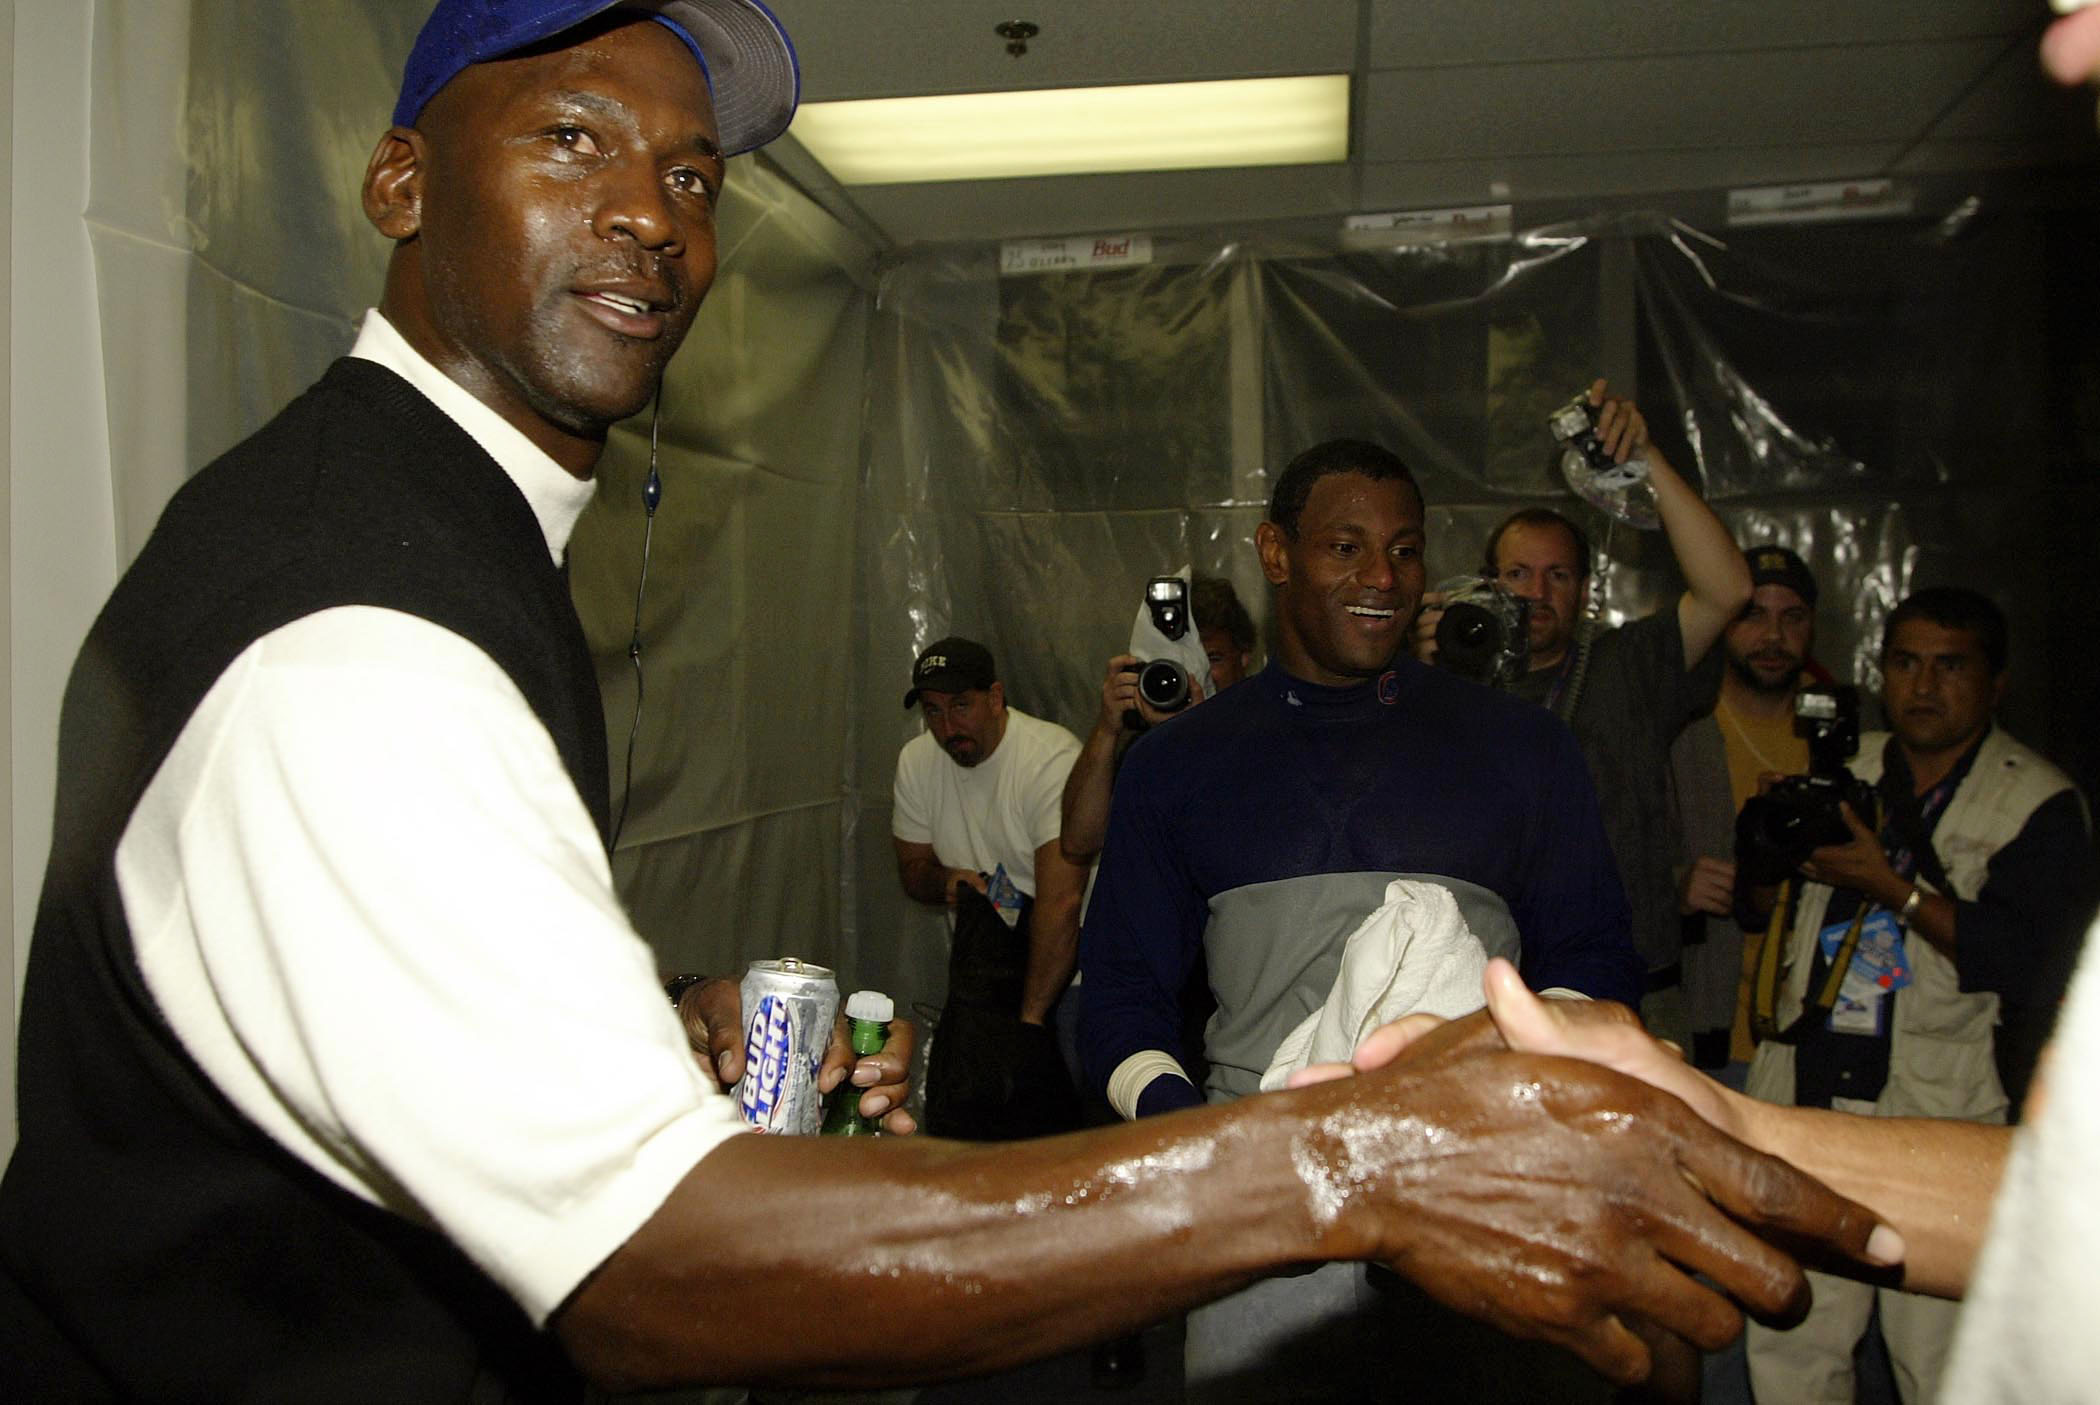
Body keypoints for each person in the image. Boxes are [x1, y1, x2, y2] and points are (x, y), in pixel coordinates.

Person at [0, 4, 1899, 1399]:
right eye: (571, 139)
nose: (654, 218)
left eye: (688, 172)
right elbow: (649, 1274)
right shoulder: (365, 630)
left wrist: (634, 1031)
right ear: (400, 177)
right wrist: (1347, 1158)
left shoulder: (412, 533)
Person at [1077, 438, 1658, 1399]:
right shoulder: (1179, 766)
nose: (1382, 578)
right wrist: (1207, 1143)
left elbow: (1597, 957)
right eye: (1345, 547)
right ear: (1276, 554)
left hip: (1481, 1200)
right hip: (1255, 1212)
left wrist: (1514, 1085)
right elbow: (1121, 1000)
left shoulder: (1523, 750)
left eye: (1406, 549)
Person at [1736, 586, 2095, 1403]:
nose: (1924, 686)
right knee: (1792, 1349)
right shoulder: (1839, 771)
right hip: (1812, 1100)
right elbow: (1766, 910)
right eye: (1905, 663)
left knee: (1943, 1364)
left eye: (1950, 666)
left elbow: (2030, 961)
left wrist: (1889, 887)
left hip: (1944, 1112)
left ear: (1996, 682)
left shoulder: (2035, 801)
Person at [1417, 382, 1751, 1047]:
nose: (1536, 593)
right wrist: (1426, 674)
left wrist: (1645, 459)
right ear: (1487, 583)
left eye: (1559, 576)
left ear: (1586, 589)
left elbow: (1728, 588)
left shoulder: (1626, 664)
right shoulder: (1458, 677)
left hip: (1628, 992)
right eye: (1517, 574)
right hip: (1486, 994)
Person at [1673, 544, 1828, 1077]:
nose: (1773, 636)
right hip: (1712, 1031)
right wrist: (1676, 885)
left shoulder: (1845, 728)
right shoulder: (1682, 727)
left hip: (1821, 1024)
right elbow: (1615, 845)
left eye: (1793, 617)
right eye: (1753, 614)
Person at [892, 636, 1090, 1031]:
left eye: (961, 705)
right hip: (988, 971)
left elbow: (1062, 904)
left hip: (1075, 967)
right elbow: (913, 870)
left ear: (995, 698)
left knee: (1066, 1071)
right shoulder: (916, 761)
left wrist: (1030, 1021)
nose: (948, 726)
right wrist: (947, 882)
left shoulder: (1051, 759)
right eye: (934, 711)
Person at [1060, 573, 1256, 865]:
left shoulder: (1265, 734)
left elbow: (1237, 849)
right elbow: (1079, 842)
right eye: (1184, 663)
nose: (1198, 673)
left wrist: (1195, 739)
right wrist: (1107, 728)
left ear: (1244, 658)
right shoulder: (1142, 747)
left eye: (1212, 659)